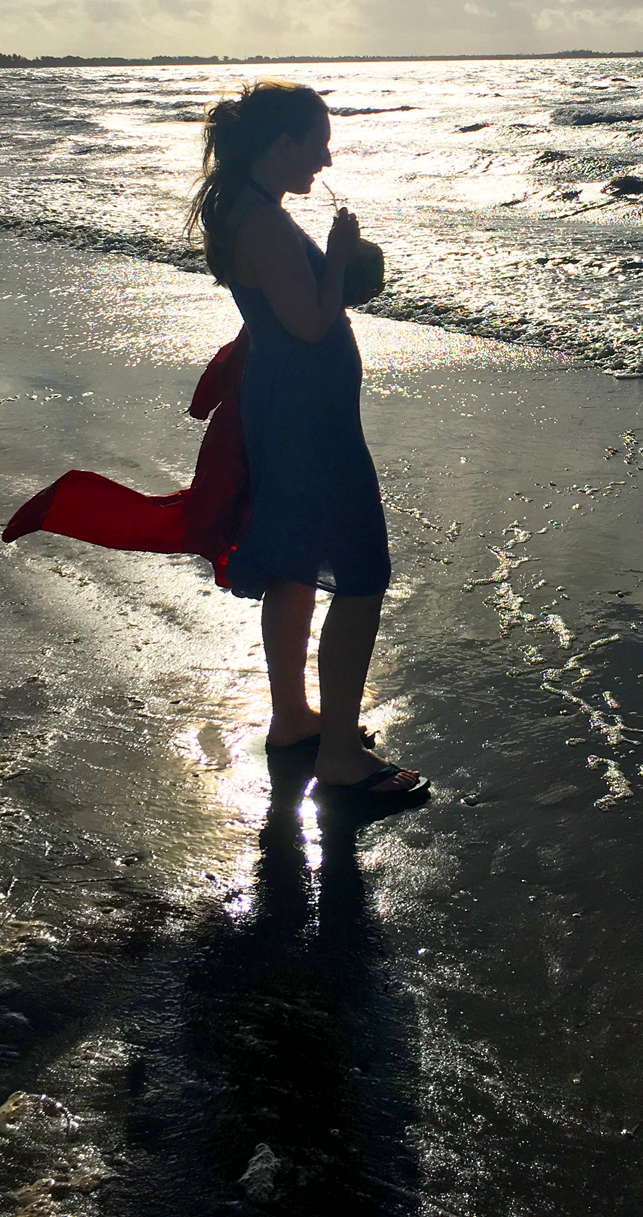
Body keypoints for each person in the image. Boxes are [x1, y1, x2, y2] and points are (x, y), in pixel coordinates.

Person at [186, 81, 429, 815]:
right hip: (306, 420)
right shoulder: (260, 220)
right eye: (316, 142)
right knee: (360, 575)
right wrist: (339, 256)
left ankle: (294, 717)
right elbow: (313, 323)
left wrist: (327, 261)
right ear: (281, 143)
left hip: (288, 407)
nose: (325, 157)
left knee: (294, 564)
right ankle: (339, 757)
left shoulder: (246, 207)